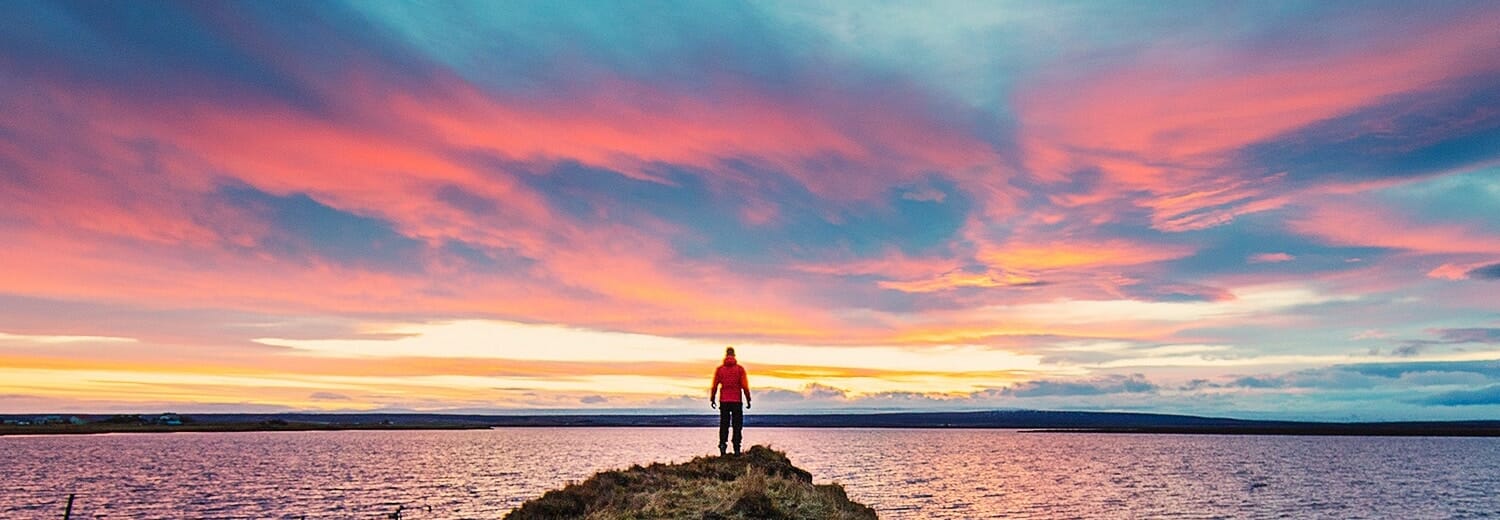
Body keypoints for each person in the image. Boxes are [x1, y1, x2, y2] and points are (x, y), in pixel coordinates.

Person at [709, 346, 751, 455]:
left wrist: (712, 398)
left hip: (724, 401)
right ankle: (736, 448)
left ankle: (723, 446)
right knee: (737, 425)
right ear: (734, 355)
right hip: (736, 400)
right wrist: (748, 399)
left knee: (724, 424)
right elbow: (745, 386)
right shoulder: (740, 369)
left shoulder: (720, 370)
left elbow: (714, 386)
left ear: (726, 355)